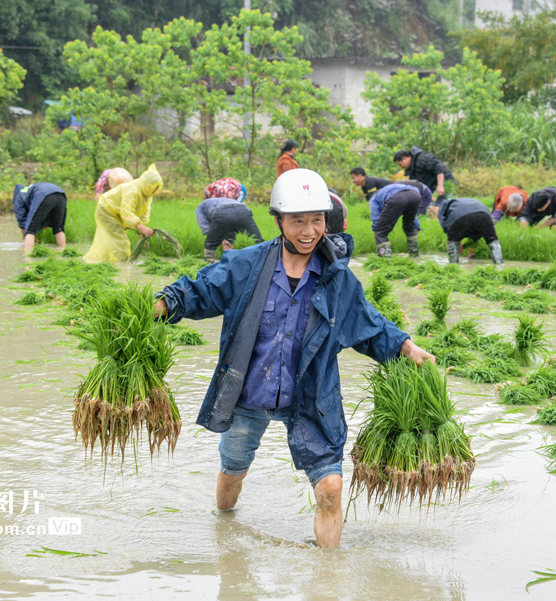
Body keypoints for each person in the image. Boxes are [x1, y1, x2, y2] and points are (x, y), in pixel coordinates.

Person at [153, 168, 434, 548]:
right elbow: (200, 290)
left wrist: (406, 347)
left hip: (311, 397)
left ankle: (327, 572)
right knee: (233, 472)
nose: (308, 231)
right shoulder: (246, 265)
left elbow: (368, 323)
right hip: (248, 393)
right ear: (278, 222)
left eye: (317, 220)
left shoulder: (337, 278)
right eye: (297, 221)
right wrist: (161, 305)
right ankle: (225, 534)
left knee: (331, 488)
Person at [84, 164, 163, 264]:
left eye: (157, 187)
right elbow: (126, 212)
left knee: (112, 242)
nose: (156, 190)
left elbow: (145, 212)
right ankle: (123, 267)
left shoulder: (148, 194)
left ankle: (103, 262)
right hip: (107, 210)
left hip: (117, 213)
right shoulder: (133, 191)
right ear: (147, 184)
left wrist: (141, 227)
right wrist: (139, 226)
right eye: (154, 187)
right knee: (121, 243)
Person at [196, 186, 263, 263]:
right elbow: (229, 225)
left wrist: (218, 239)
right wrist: (228, 239)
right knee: (256, 239)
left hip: (222, 213)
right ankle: (264, 260)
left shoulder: (201, 206)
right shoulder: (225, 200)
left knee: (211, 241)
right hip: (243, 211)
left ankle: (209, 263)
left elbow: (206, 228)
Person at [429, 197, 504, 265]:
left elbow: (445, 225)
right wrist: (471, 243)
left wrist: (455, 240)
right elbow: (476, 228)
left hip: (460, 216)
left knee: (452, 242)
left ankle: (453, 266)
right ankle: (500, 265)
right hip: (484, 215)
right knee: (492, 240)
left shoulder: (445, 206)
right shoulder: (471, 201)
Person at [369, 181, 432, 258]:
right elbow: (412, 218)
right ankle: (414, 255)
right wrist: (416, 226)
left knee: (380, 232)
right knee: (409, 227)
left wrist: (378, 228)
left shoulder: (374, 198)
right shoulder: (388, 189)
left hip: (398, 198)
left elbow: (375, 215)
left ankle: (385, 258)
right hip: (415, 195)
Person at [12, 182, 68, 253]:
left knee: (30, 231)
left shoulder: (19, 197)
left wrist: (26, 236)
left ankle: (27, 256)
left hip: (44, 195)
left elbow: (22, 221)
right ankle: (63, 252)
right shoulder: (30, 190)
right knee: (59, 229)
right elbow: (44, 211)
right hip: (61, 195)